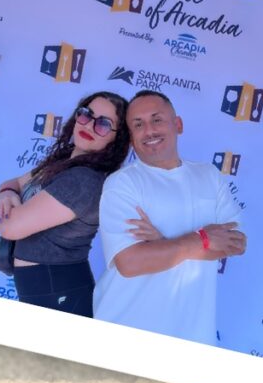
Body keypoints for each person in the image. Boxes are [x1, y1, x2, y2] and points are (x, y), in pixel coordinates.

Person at [93, 91, 247, 344]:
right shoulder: (122, 184)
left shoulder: (209, 176)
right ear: (131, 137)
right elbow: (130, 263)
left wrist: (162, 241)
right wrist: (202, 240)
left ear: (178, 124)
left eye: (157, 120)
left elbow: (236, 243)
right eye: (138, 125)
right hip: (125, 331)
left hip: (192, 336)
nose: (149, 131)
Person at [0, 92, 129, 317]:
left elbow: (10, 227)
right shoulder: (66, 162)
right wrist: (6, 195)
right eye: (86, 115)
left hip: (58, 292)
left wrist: (7, 202)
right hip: (45, 288)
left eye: (104, 124)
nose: (90, 125)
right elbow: (14, 183)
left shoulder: (84, 180)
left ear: (116, 139)